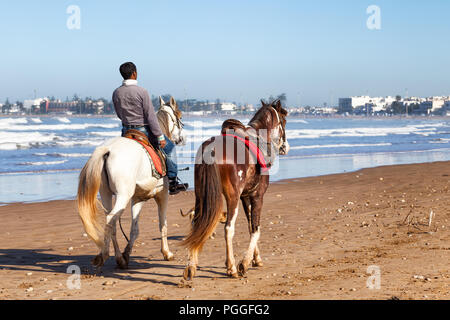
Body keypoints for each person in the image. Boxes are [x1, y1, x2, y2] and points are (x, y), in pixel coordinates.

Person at [112, 62, 185, 194]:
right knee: (170, 148)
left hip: (126, 131)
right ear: (134, 73)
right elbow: (151, 116)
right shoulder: (142, 92)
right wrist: (160, 136)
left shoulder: (116, 92)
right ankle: (173, 182)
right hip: (143, 130)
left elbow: (119, 114)